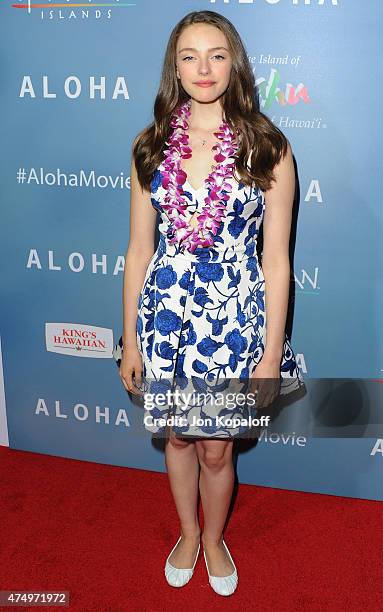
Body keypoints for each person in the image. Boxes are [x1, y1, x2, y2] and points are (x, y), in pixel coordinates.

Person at [113, 10, 305, 597]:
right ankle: (188, 532)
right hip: (166, 315)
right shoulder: (150, 146)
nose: (203, 68)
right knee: (178, 439)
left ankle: (216, 538)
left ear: (235, 62)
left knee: (218, 452)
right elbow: (139, 250)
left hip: (234, 319)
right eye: (190, 55)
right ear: (175, 65)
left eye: (216, 54)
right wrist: (130, 340)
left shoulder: (267, 147)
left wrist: (270, 356)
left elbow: (276, 262)